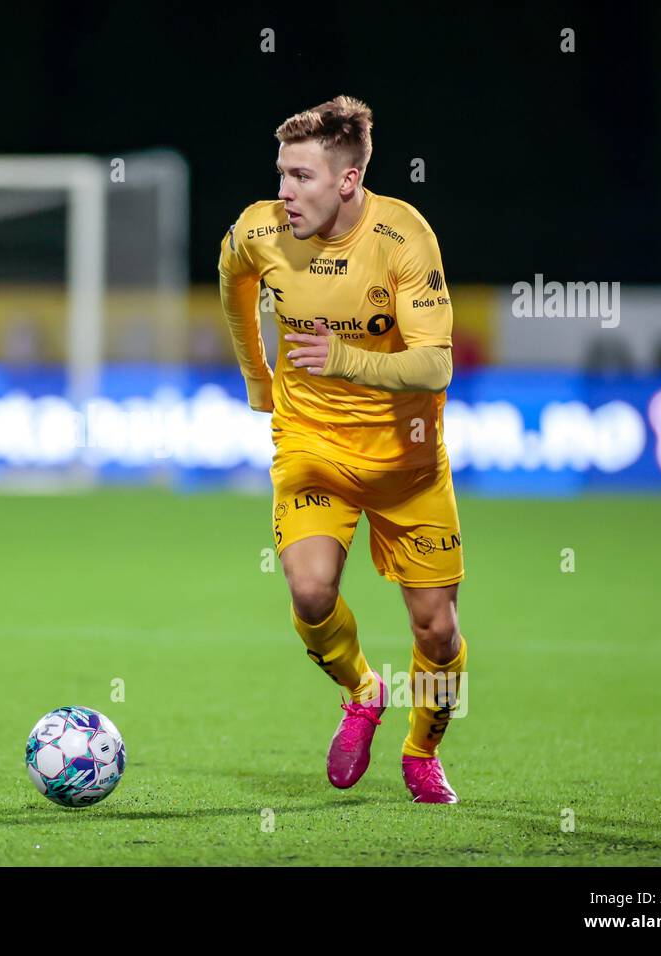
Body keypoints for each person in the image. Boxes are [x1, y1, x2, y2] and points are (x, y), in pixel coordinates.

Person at [218, 95, 467, 803]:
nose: (284, 193)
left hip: (406, 459)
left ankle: (421, 752)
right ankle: (363, 691)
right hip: (311, 444)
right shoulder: (259, 231)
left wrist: (346, 359)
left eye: (301, 177)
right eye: (281, 174)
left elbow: (436, 365)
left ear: (348, 180)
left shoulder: (403, 238)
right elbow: (229, 278)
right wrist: (256, 376)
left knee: (439, 631)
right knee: (309, 588)